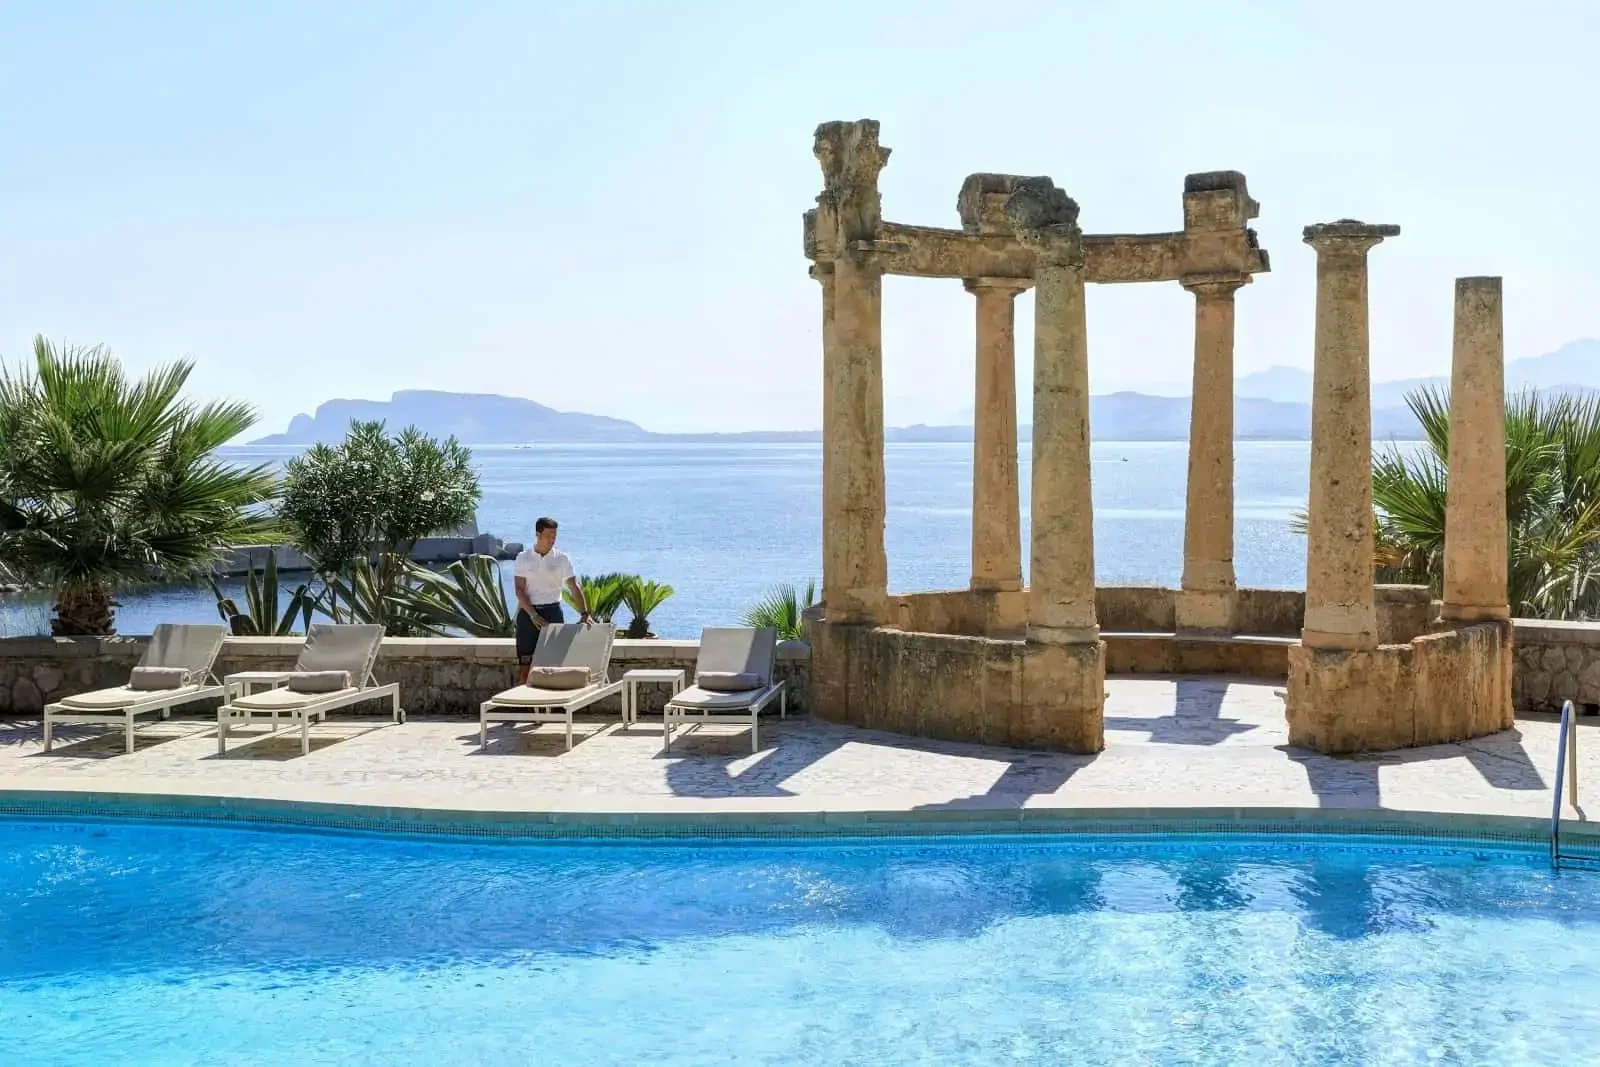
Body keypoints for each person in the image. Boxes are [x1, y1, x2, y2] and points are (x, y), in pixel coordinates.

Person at [513, 517, 592, 684]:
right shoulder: (523, 558)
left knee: (554, 667)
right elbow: (519, 590)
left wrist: (584, 613)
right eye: (548, 535)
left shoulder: (562, 559)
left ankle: (551, 707)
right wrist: (533, 615)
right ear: (538, 534)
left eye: (554, 536)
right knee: (525, 668)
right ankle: (523, 707)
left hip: (553, 612)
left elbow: (574, 587)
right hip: (528, 615)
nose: (552, 539)